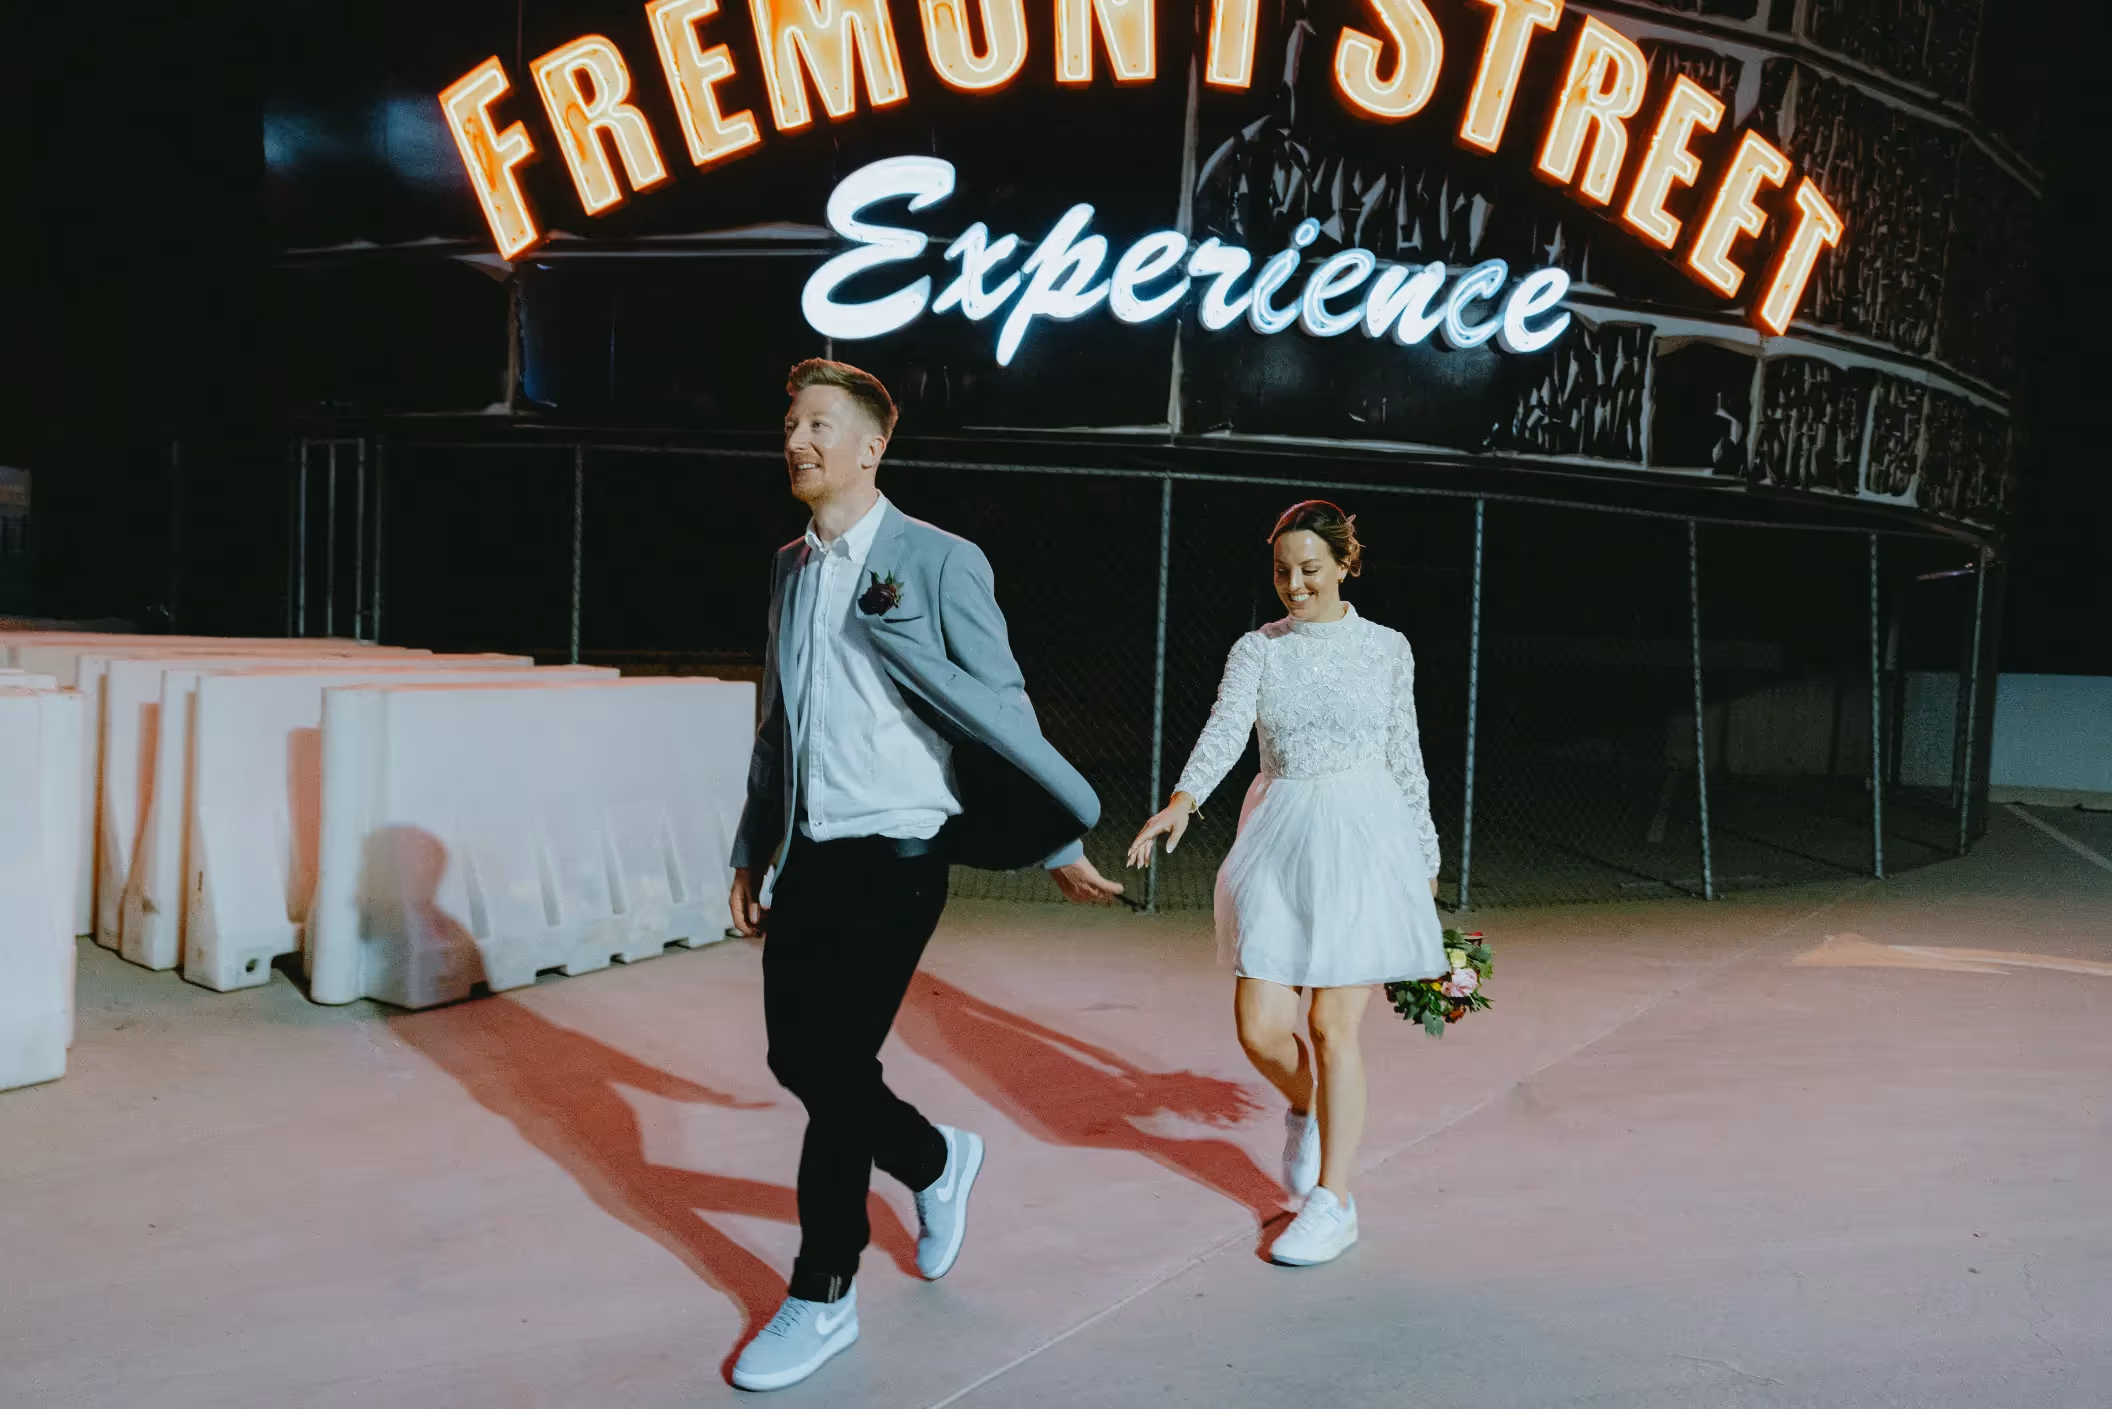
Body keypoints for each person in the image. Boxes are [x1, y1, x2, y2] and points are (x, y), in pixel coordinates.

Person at [727, 358, 1125, 1392]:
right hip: (812, 850)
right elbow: (777, 724)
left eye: (820, 424)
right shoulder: (790, 567)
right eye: (791, 424)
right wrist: (751, 845)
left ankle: (823, 1293)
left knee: (834, 1064)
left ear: (873, 446)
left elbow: (1003, 705)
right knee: (799, 1058)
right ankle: (938, 1159)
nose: (797, 441)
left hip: (903, 851)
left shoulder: (939, 560)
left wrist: (1055, 836)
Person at [1126, 500, 1445, 1268]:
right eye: (1281, 571)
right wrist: (1183, 799)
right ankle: (1306, 1105)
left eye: (1309, 569)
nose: (1294, 585)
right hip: (1278, 837)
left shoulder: (1387, 648)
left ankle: (1335, 1203)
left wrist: (1425, 860)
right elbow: (1226, 725)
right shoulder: (1259, 650)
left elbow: (1405, 754)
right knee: (1260, 1027)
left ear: (1344, 564)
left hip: (1365, 840)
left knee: (1334, 1026)